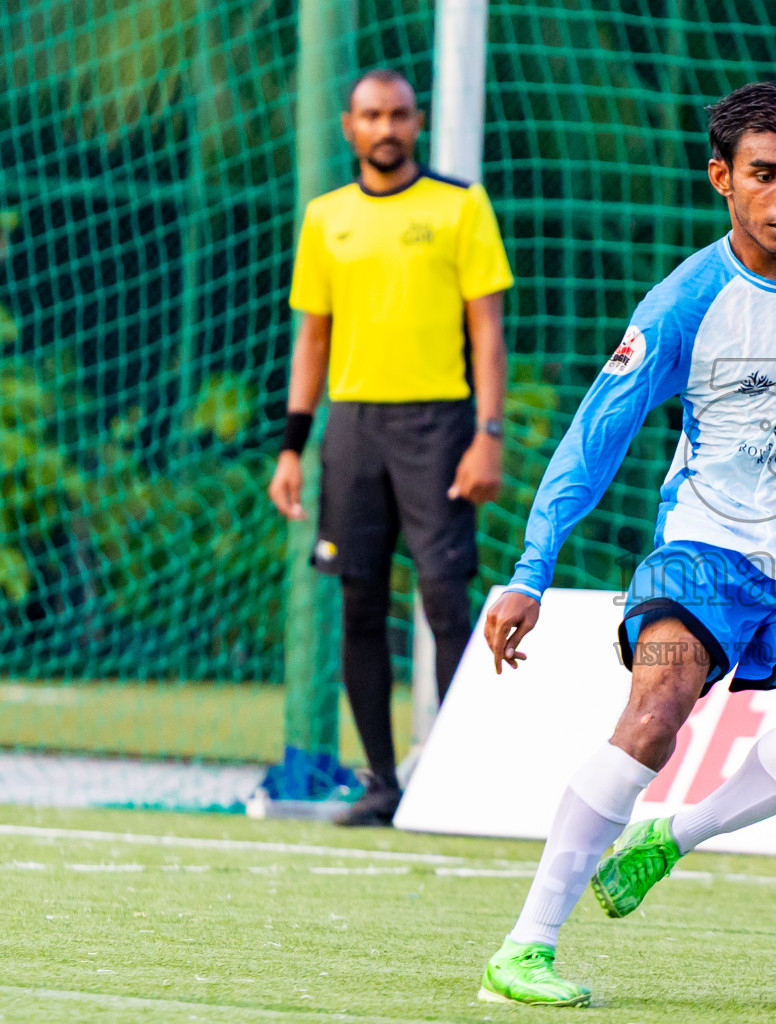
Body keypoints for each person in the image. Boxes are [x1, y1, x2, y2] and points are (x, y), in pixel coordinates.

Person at [475, 81, 776, 1007]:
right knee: (658, 705)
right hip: (705, 553)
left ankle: (673, 838)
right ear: (721, 177)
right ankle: (526, 946)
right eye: (765, 176)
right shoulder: (686, 299)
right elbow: (597, 433)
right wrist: (530, 572)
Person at [269, 69, 513, 827]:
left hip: (439, 427)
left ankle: (462, 776)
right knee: (359, 602)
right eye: (371, 115)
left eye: (399, 115)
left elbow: (487, 329)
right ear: (349, 125)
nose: (386, 127)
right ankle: (382, 782)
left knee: (445, 599)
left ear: (418, 121)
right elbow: (312, 336)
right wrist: (292, 447)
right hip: (353, 429)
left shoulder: (458, 205)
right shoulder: (326, 217)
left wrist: (488, 433)